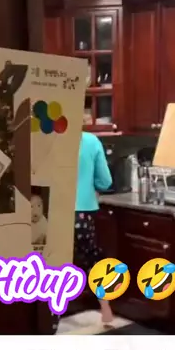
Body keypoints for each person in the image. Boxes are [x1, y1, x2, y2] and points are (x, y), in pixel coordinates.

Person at [74, 130, 114, 325]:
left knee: (52, 262)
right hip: (82, 211)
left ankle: (49, 317)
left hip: (52, 209)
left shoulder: (47, 137)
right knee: (92, 260)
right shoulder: (90, 140)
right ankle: (105, 308)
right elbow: (105, 182)